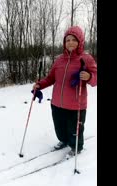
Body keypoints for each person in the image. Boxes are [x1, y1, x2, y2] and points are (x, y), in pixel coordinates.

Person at [32, 25, 97, 158]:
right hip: (57, 103)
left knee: (75, 130)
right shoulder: (59, 60)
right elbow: (50, 78)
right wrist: (39, 85)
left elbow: (95, 80)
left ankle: (76, 147)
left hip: (76, 105)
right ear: (64, 43)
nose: (70, 42)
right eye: (67, 40)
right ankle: (64, 141)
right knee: (60, 128)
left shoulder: (86, 59)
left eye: (74, 39)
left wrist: (89, 77)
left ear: (80, 42)